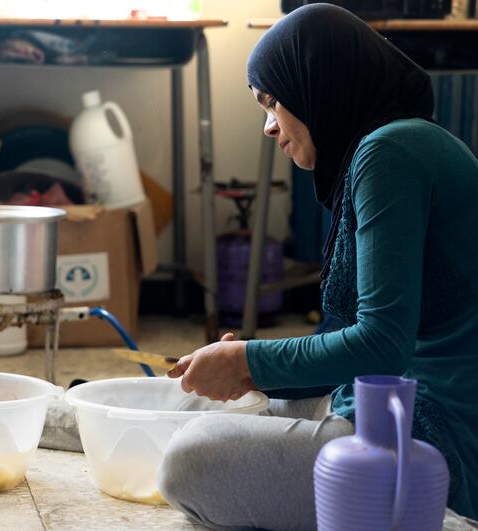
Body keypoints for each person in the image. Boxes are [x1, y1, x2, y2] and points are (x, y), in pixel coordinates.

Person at [157, 4, 478, 529]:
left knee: (191, 457)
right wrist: (247, 365)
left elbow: (381, 345)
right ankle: (58, 411)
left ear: (317, 83)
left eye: (273, 102)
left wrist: (250, 360)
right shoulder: (384, 147)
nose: (268, 126)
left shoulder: (390, 151)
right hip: (388, 401)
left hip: (431, 432)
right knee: (205, 399)